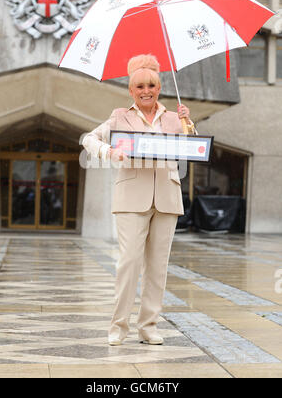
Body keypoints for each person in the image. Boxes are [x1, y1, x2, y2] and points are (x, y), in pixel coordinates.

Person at [82, 54, 196, 346]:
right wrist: (110, 153)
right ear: (131, 91)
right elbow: (89, 139)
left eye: (152, 85)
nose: (146, 91)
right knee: (129, 263)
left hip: (167, 198)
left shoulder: (173, 118)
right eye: (140, 86)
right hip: (131, 198)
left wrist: (188, 122)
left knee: (158, 267)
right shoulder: (120, 116)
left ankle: (148, 326)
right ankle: (118, 327)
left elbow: (192, 147)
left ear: (159, 88)